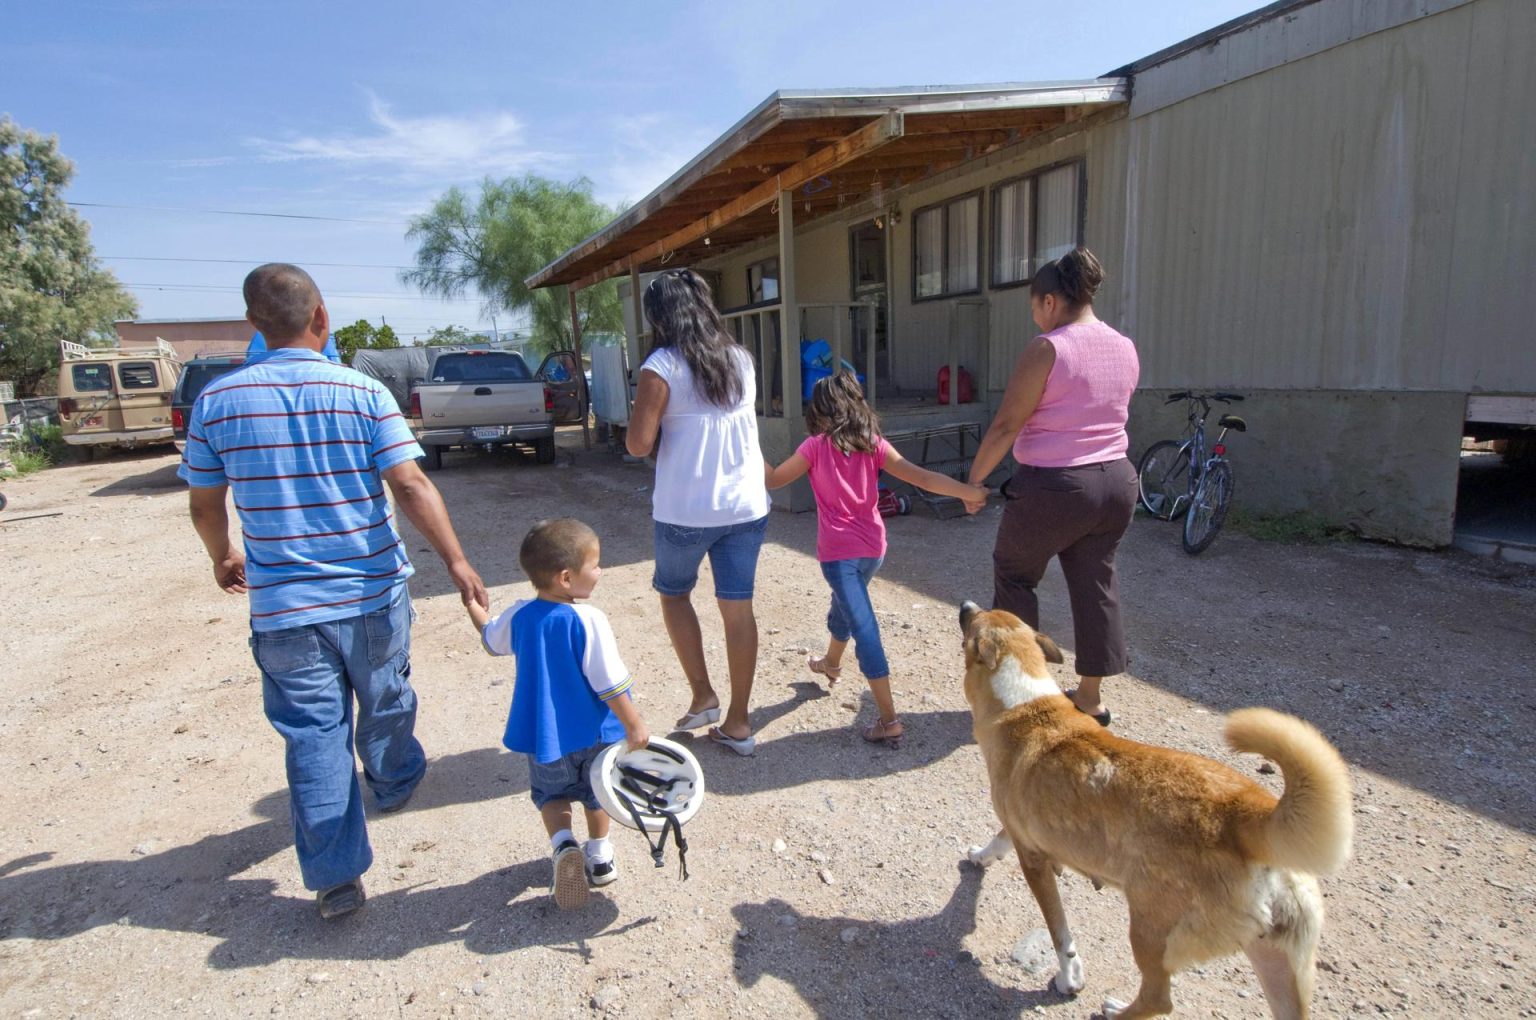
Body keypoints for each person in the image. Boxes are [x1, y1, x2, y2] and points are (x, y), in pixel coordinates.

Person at [180, 263, 487, 919]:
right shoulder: (363, 393)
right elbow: (410, 486)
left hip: (284, 611)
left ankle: (336, 878)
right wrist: (458, 563)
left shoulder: (215, 404)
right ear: (321, 318)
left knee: (314, 739)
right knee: (386, 696)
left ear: (253, 325)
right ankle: (393, 776)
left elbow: (206, 505)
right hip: (372, 594)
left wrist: (222, 556)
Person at [966, 248, 1140, 726]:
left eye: (1034, 309)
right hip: (1118, 481)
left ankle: (1020, 694)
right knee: (1095, 580)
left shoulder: (1049, 348)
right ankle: (1089, 698)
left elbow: (1006, 425)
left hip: (1057, 486)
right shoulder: (1124, 346)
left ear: (1048, 302)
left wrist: (975, 481)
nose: (1037, 319)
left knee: (1015, 575)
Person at [765, 372, 987, 745]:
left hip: (839, 556)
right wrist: (969, 491)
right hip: (873, 551)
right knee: (846, 609)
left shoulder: (814, 447)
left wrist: (744, 443)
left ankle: (888, 719)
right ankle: (830, 663)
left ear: (818, 410)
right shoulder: (873, 443)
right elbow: (923, 478)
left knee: (864, 627)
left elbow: (773, 480)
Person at [468, 518, 650, 910]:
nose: (600, 572)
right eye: (596, 565)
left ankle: (564, 845)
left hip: (545, 736)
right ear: (567, 578)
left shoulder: (519, 616)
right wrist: (634, 724)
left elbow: (490, 641)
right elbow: (609, 682)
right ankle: (599, 857)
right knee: (597, 793)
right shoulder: (589, 619)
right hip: (597, 733)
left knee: (553, 795)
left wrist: (475, 608)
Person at [625, 269, 769, 757]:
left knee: (674, 594)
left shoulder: (661, 365)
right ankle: (740, 722)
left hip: (686, 510)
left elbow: (638, 442)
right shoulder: (741, 360)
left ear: (657, 316)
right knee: (738, 610)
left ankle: (704, 694)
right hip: (746, 504)